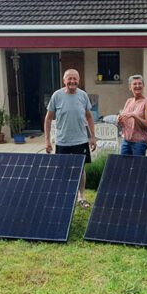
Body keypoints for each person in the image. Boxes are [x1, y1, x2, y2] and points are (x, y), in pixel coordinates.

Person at [44, 69, 97, 207]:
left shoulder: (83, 96)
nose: (72, 81)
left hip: (81, 140)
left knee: (81, 169)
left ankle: (82, 196)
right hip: (62, 141)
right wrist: (47, 140)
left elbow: (89, 117)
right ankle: (65, 196)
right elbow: (48, 119)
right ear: (64, 80)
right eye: (69, 79)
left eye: (75, 79)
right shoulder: (57, 96)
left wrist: (92, 137)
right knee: (62, 170)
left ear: (79, 81)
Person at [118, 75, 147, 156]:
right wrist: (120, 120)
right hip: (126, 141)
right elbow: (124, 120)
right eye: (134, 84)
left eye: (140, 83)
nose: (137, 86)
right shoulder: (128, 101)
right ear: (130, 87)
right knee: (123, 166)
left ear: (143, 86)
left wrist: (134, 115)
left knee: (138, 167)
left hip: (139, 143)